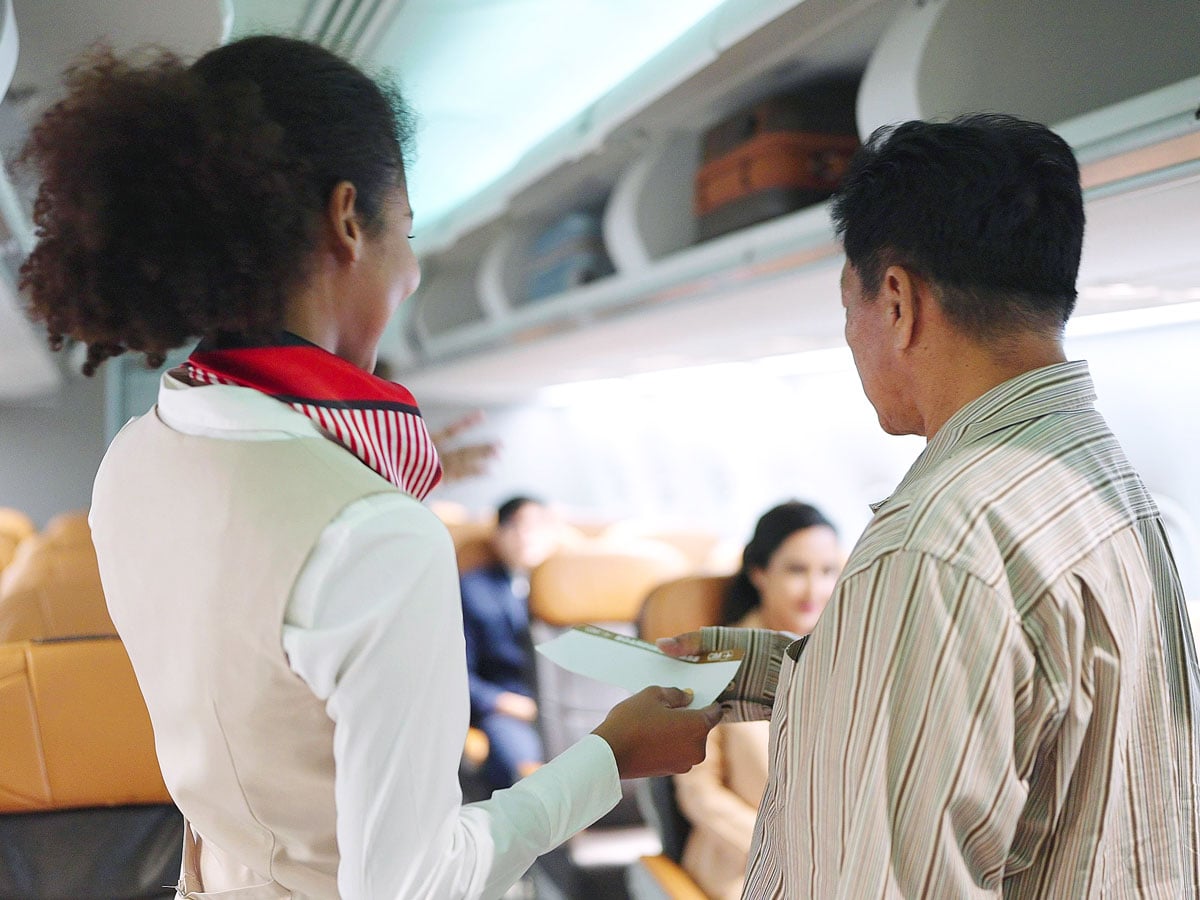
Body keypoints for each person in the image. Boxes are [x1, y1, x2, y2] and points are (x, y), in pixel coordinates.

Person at [21, 36, 720, 900]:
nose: (415, 271)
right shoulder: (371, 537)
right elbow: (412, 885)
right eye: (409, 233)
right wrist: (612, 757)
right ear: (348, 220)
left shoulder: (133, 461)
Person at [661, 114, 1200, 896]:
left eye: (847, 309)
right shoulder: (1115, 492)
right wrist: (752, 668)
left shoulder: (935, 542)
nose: (850, 339)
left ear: (897, 300)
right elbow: (1019, 708)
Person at [673, 502, 841, 900]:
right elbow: (698, 793)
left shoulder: (849, 656)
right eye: (797, 570)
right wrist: (783, 853)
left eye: (828, 571)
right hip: (744, 862)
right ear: (760, 572)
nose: (814, 590)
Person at [460, 495, 557, 790]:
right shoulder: (472, 590)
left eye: (538, 526)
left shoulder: (573, 588)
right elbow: (457, 674)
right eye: (517, 526)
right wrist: (503, 702)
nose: (528, 536)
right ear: (499, 535)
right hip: (508, 709)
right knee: (523, 771)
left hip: (565, 707)